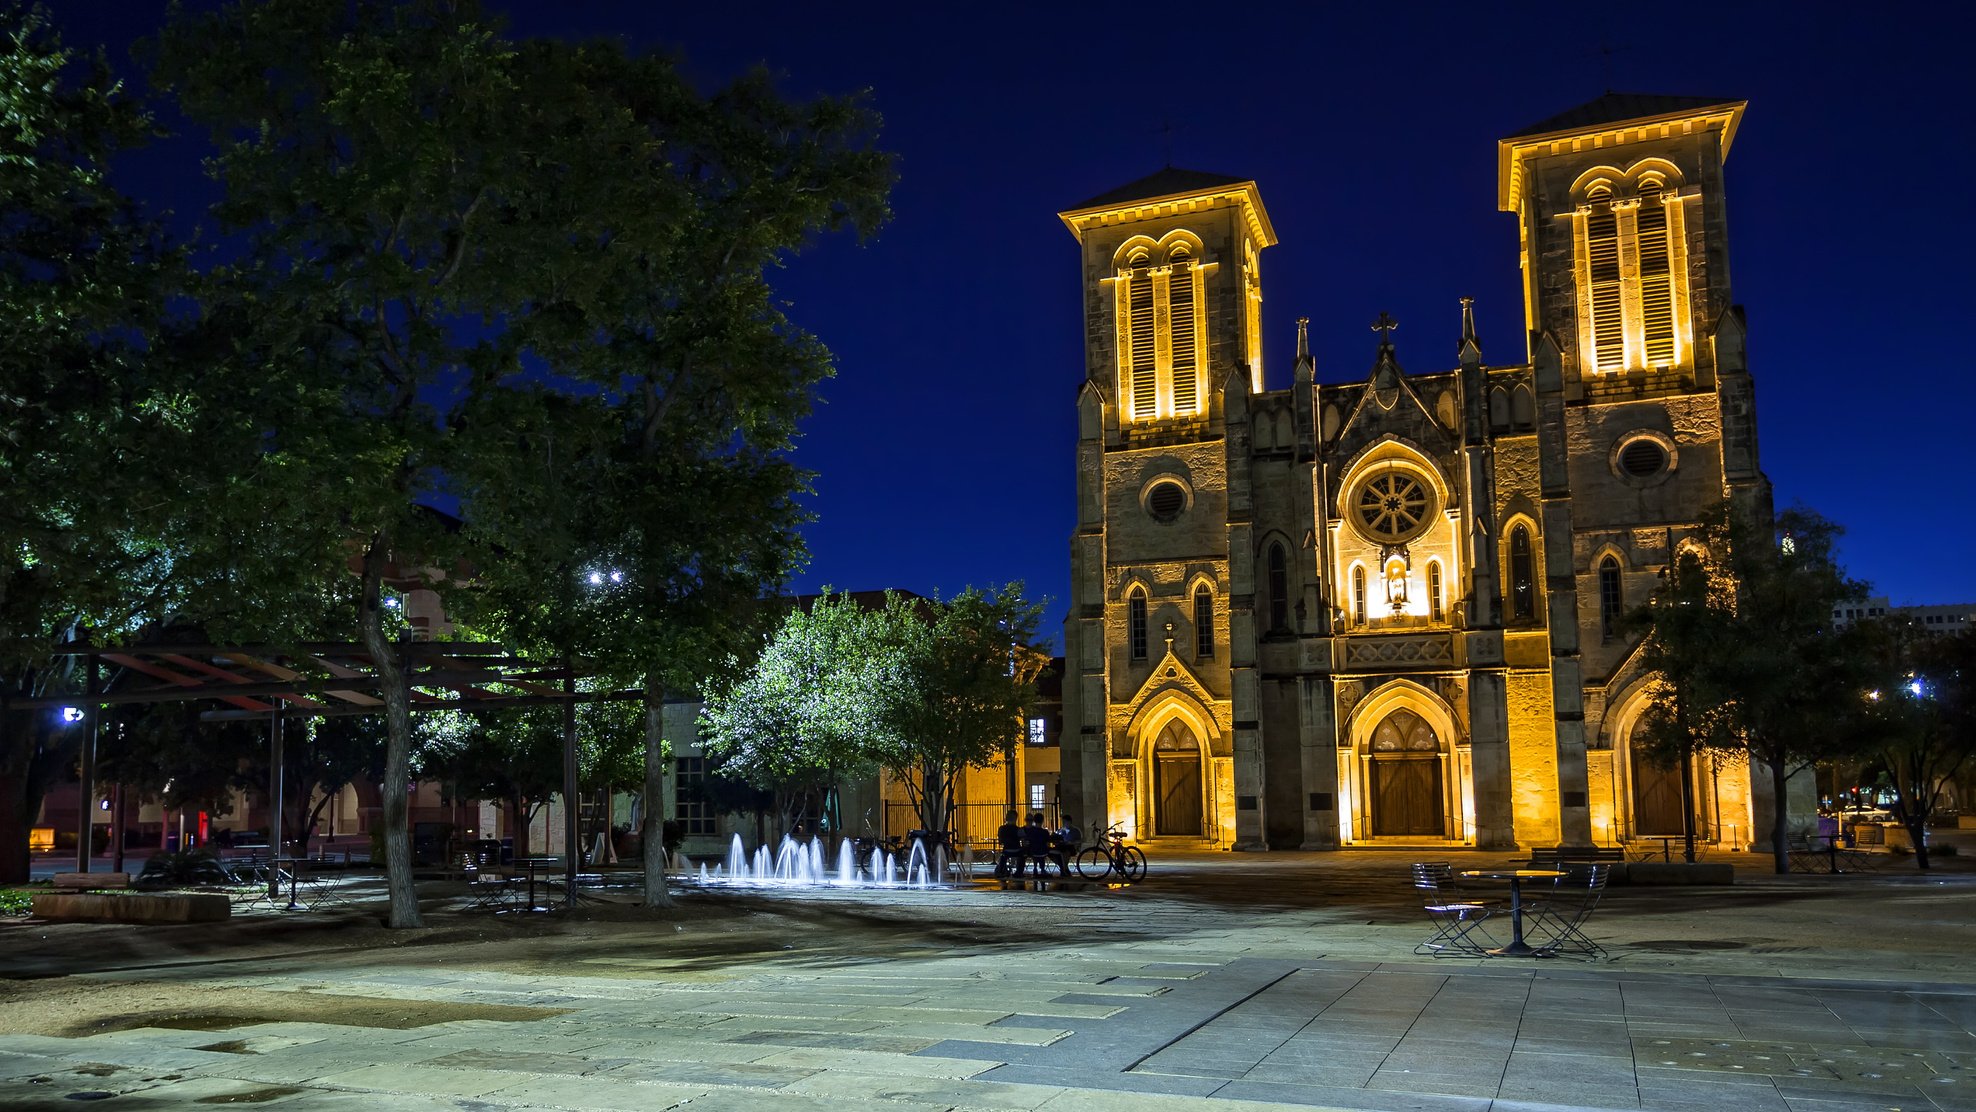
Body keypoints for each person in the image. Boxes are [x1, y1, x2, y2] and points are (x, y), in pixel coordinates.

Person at [1020, 812, 1054, 877]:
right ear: (1043, 821)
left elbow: (1027, 842)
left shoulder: (1030, 831)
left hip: (1033, 851)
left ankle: (1035, 868)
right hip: (1043, 851)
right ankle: (1042, 869)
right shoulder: (1045, 832)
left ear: (1034, 821)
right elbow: (1047, 843)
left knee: (1035, 855)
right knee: (1041, 856)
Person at [994, 810, 1024, 878]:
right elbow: (1023, 839)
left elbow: (1000, 842)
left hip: (1006, 850)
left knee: (1003, 857)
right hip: (1017, 850)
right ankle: (1019, 871)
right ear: (1015, 819)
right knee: (1022, 856)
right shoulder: (1018, 829)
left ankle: (1001, 870)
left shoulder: (1002, 828)